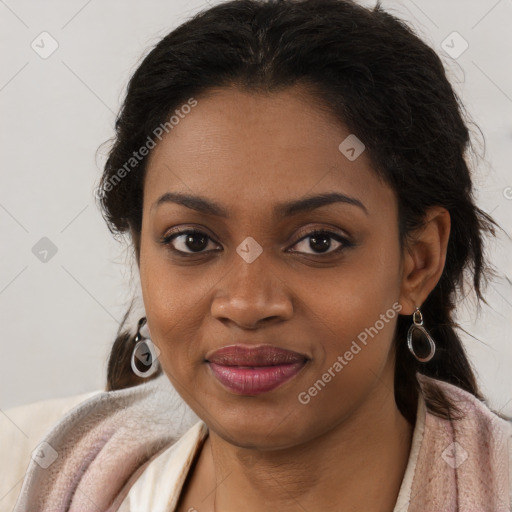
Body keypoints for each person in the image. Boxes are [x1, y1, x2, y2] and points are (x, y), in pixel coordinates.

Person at [6, 0, 512, 511]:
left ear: (417, 262)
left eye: (319, 241)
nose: (247, 304)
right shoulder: (29, 471)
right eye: (193, 241)